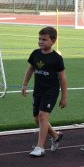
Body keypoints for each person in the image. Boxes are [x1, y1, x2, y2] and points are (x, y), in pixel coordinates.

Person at [22, 26, 67, 157]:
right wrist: (24, 84)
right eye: (39, 39)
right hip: (38, 91)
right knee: (37, 118)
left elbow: (63, 79)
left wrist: (64, 97)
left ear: (53, 41)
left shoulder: (57, 58)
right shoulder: (35, 54)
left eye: (44, 39)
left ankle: (40, 147)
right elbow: (30, 69)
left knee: (42, 116)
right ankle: (56, 136)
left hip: (51, 91)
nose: (41, 42)